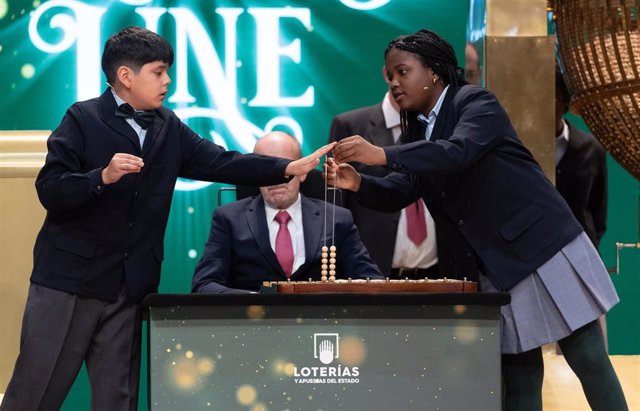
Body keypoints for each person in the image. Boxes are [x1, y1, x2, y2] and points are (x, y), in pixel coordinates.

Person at [0, 27, 333, 411]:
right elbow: (51, 189)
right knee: (35, 394)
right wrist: (101, 177)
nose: (167, 81)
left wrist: (286, 166)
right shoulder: (82, 118)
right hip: (68, 283)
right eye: (158, 72)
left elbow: (221, 161)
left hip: (128, 288)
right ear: (126, 76)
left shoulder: (167, 125)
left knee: (118, 400)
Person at [328, 29, 628, 411]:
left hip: (539, 248)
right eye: (390, 76)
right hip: (493, 263)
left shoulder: (475, 101)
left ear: (434, 72)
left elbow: (456, 152)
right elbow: (402, 191)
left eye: (402, 71)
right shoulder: (417, 132)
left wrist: (382, 156)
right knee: (518, 377)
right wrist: (358, 184)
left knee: (587, 357)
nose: (395, 83)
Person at [192, 131, 382, 293]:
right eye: (266, 169)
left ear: (303, 171)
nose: (276, 178)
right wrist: (253, 299)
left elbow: (369, 279)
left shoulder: (337, 219)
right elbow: (204, 284)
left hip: (320, 323)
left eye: (286, 167)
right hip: (253, 324)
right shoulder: (228, 219)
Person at [328, 66, 439, 279]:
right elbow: (336, 207)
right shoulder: (351, 126)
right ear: (388, 73)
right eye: (404, 71)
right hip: (372, 271)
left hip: (440, 273)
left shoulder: (440, 126)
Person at [555, 65, 607, 249]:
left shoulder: (591, 149)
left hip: (582, 251)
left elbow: (598, 214)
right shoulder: (519, 148)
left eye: (553, 98)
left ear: (565, 103)